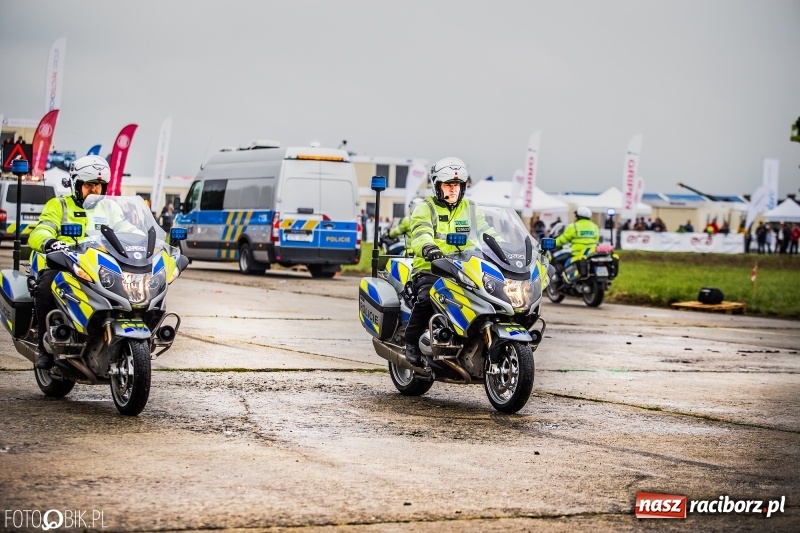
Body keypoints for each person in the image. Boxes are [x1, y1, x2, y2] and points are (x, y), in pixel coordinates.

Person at [27, 155, 118, 369]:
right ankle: (44, 347)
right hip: (64, 263)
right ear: (76, 185)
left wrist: (149, 243)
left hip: (99, 265)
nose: (94, 190)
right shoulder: (59, 205)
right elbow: (41, 230)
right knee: (46, 288)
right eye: (89, 184)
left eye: (98, 185)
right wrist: (50, 242)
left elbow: (127, 229)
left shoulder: (110, 209)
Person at [404, 157, 492, 367]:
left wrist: (504, 248)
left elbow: (487, 233)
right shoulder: (425, 208)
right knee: (427, 298)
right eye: (448, 185)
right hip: (431, 268)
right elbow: (421, 233)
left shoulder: (471, 208)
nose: (453, 189)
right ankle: (411, 342)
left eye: (457, 185)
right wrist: (429, 247)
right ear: (437, 186)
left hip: (465, 268)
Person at [551, 206, 600, 281]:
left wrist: (552, 243)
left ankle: (562, 279)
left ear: (578, 216)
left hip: (577, 254)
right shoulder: (595, 226)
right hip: (591, 254)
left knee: (557, 260)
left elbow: (562, 239)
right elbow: (596, 240)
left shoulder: (573, 226)